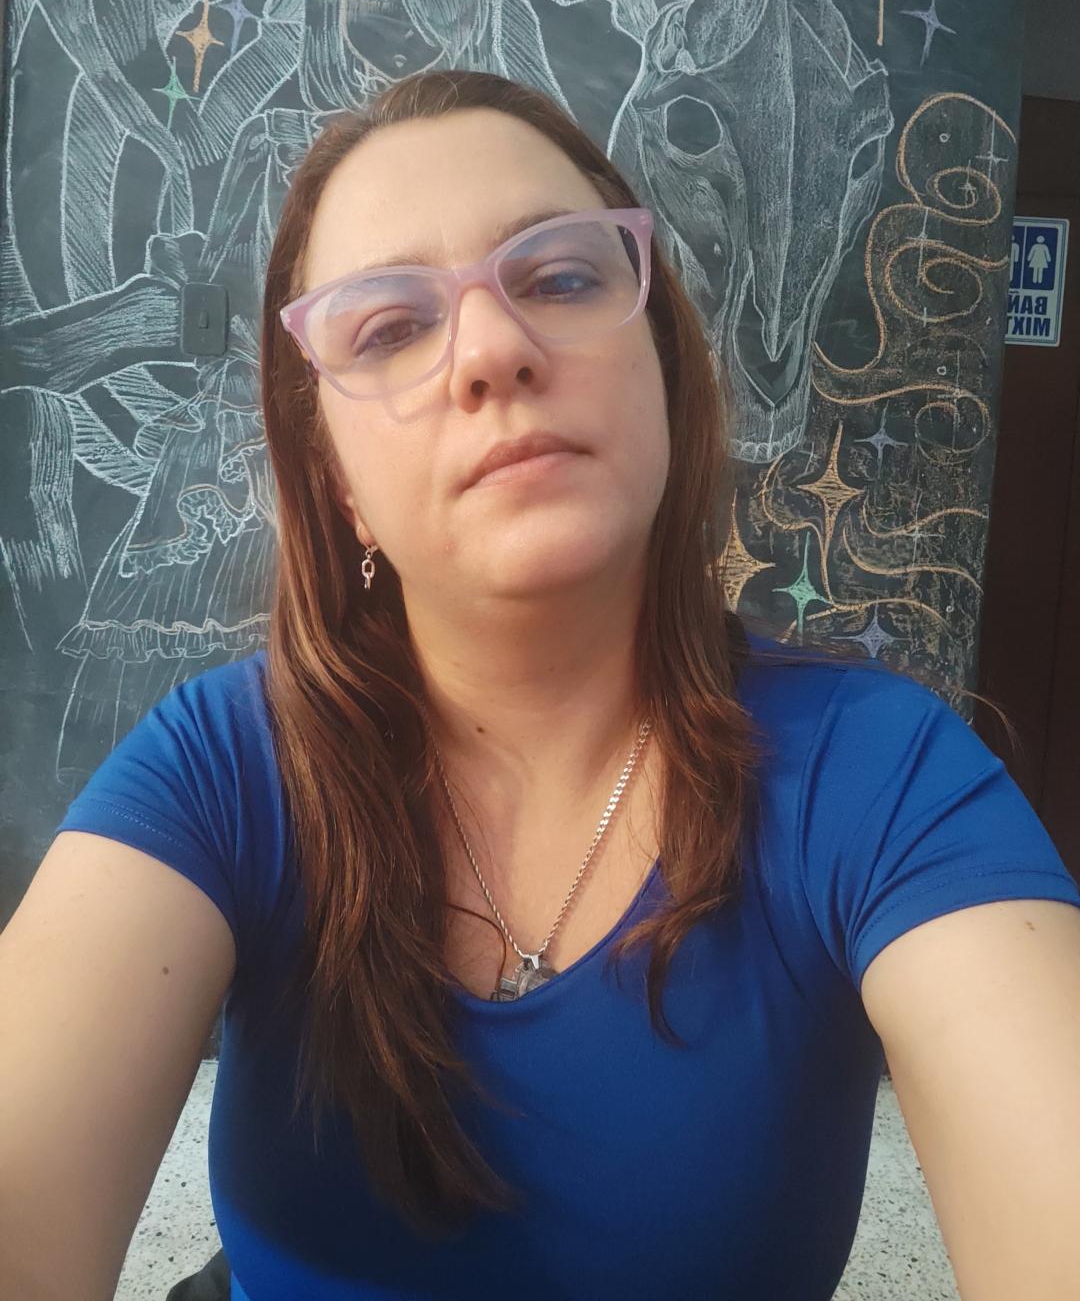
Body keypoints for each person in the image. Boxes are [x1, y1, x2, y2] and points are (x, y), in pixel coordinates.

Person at [2, 69, 1079, 1301]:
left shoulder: (881, 773)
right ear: (338, 480)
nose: (494, 349)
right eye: (389, 328)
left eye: (561, 278)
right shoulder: (219, 766)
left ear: (661, 366)